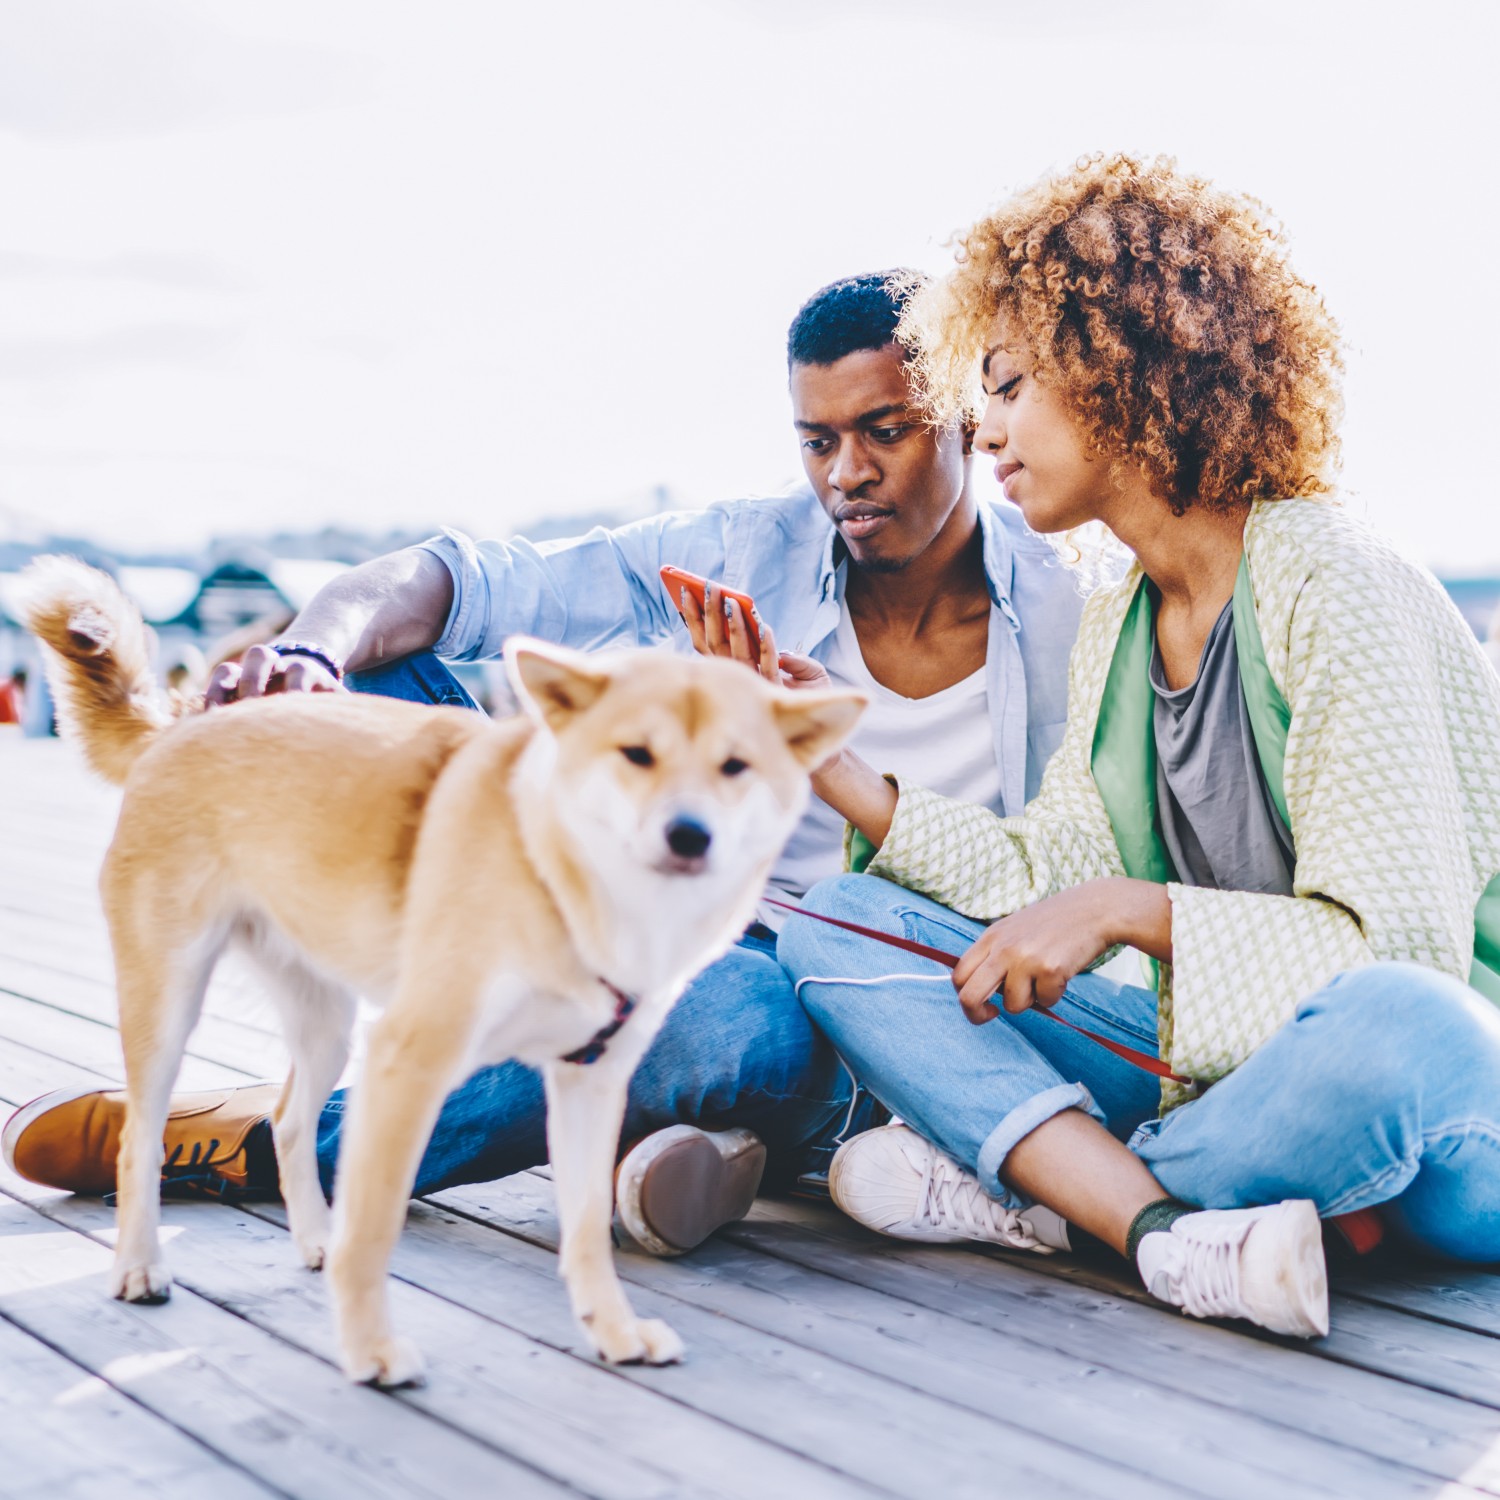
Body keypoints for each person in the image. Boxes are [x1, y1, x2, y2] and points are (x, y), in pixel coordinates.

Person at [4, 272, 1085, 1256]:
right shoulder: (745, 549)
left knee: (737, 1027)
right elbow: (467, 583)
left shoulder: (1064, 609)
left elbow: (1062, 871)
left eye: (885, 432)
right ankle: (715, 1135)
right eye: (817, 441)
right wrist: (312, 650)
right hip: (660, 921)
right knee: (390, 688)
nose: (846, 475)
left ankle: (265, 1144)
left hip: (878, 993)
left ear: (962, 413)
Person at [760, 156, 1500, 1338]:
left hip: (1448, 1091)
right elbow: (1041, 876)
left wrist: (1133, 911)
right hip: (1228, 1083)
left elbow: (1399, 957)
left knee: (1395, 1028)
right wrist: (838, 772)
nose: (984, 426)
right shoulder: (1122, 616)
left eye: (1005, 385)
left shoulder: (1335, 581)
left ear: (1121, 370)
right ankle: (1179, 1222)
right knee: (841, 926)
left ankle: (1064, 1199)